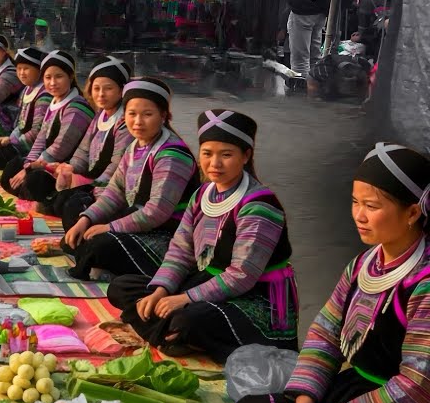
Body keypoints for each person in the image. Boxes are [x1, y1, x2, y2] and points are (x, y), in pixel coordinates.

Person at [229, 143, 430, 403]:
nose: (358, 215)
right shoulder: (363, 265)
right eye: (355, 202)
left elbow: (417, 386)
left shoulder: (424, 282)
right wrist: (305, 399)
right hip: (349, 393)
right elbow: (324, 336)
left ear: (412, 211)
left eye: (372, 206)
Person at [108, 109, 297, 361]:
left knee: (187, 320)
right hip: (205, 280)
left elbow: (242, 276)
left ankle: (175, 333)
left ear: (246, 156)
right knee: (122, 288)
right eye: (207, 154)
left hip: (256, 297)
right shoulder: (202, 194)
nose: (215, 164)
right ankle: (171, 336)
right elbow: (181, 250)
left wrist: (184, 299)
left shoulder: (259, 205)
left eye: (226, 155)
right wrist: (162, 290)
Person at [63, 77, 199, 281]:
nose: (137, 121)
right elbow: (115, 191)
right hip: (137, 220)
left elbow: (156, 213)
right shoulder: (134, 146)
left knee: (99, 245)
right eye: (132, 114)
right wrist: (87, 219)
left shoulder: (172, 155)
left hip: (166, 234)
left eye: (147, 114)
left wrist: (110, 227)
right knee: (78, 224)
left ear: (163, 116)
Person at [47, 57, 133, 225]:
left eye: (108, 88)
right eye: (96, 88)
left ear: (121, 90)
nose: (101, 94)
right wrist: (70, 168)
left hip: (109, 189)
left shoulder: (125, 122)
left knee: (70, 204)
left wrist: (88, 184)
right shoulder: (100, 115)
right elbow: (83, 150)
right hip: (91, 181)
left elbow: (116, 166)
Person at [2, 50, 93, 200]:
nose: (52, 83)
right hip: (47, 164)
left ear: (70, 77)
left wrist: (31, 169)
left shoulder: (77, 108)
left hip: (65, 167)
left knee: (34, 182)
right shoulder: (55, 102)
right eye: (48, 77)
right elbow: (40, 139)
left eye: (59, 77)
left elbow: (59, 149)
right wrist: (28, 164)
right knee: (14, 167)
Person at [0, 48, 52, 170]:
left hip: (35, 151)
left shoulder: (44, 96)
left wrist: (11, 142)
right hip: (20, 142)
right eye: (19, 69)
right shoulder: (26, 90)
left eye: (26, 68)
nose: (21, 73)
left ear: (40, 70)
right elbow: (20, 124)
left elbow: (37, 132)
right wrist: (7, 140)